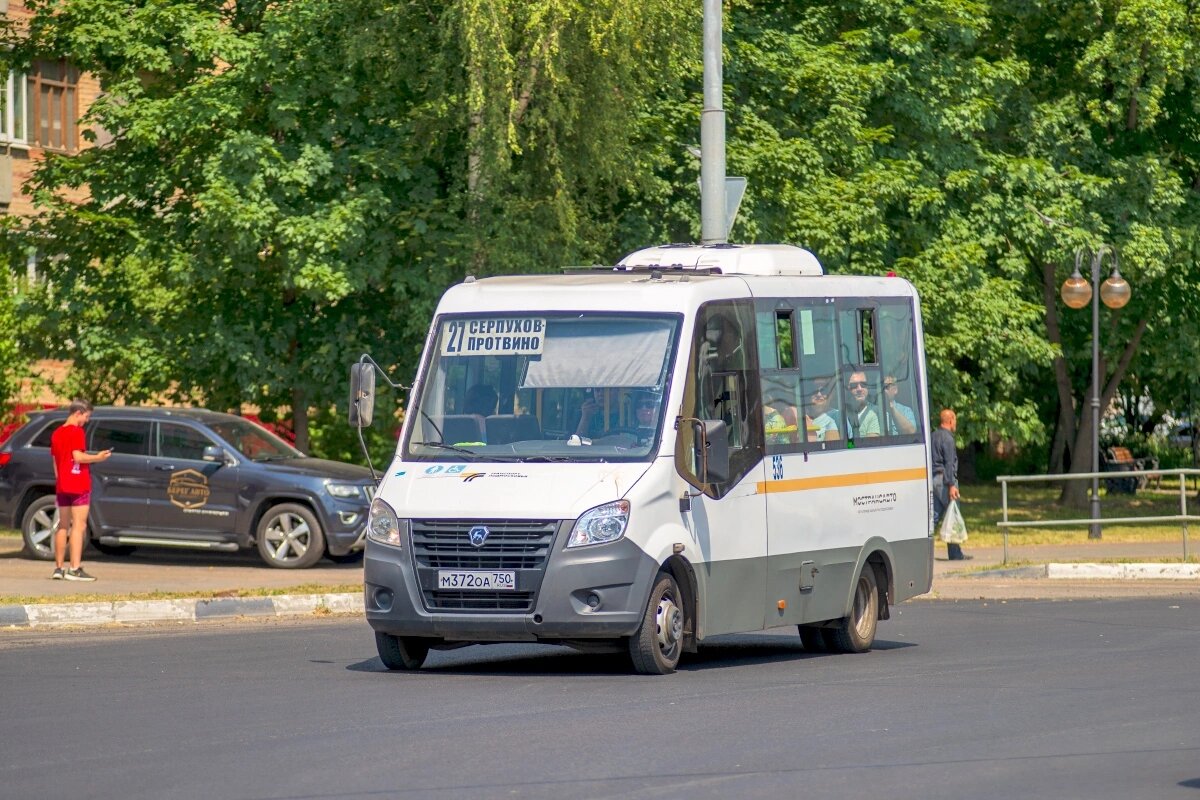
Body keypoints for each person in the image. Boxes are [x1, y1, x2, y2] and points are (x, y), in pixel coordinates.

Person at [49, 399, 112, 581]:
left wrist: (60, 479)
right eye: (86, 416)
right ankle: (75, 568)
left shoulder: (57, 433)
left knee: (62, 525)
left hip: (62, 484)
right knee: (79, 526)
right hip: (78, 484)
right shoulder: (77, 432)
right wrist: (98, 457)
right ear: (78, 413)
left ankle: (58, 568)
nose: (86, 420)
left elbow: (55, 461)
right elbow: (78, 456)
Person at [932, 408, 969, 560]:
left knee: (933, 516)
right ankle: (955, 553)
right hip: (945, 480)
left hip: (934, 479)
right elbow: (949, 463)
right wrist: (951, 485)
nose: (956, 424)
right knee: (953, 514)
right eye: (955, 420)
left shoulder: (933, 436)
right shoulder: (948, 438)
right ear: (950, 420)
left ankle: (922, 551)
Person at [844, 369, 880, 438]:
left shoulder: (877, 412)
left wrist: (850, 445)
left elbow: (872, 445)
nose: (859, 389)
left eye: (863, 384)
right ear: (848, 388)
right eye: (854, 385)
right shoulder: (841, 413)